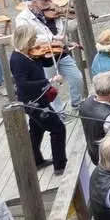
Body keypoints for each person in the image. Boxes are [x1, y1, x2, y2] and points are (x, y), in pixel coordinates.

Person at [8, 24, 67, 174]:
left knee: (36, 129)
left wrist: (61, 51)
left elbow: (44, 61)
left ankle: (36, 160)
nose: (35, 41)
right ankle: (60, 165)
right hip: (33, 101)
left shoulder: (29, 53)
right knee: (58, 129)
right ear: (25, 40)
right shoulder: (17, 60)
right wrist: (50, 80)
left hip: (40, 98)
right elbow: (23, 84)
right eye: (33, 38)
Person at [14, 0, 83, 112]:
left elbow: (65, 29)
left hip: (60, 51)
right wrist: (52, 38)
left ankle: (77, 103)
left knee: (77, 77)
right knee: (50, 86)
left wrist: (77, 17)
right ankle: (59, 112)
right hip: (42, 55)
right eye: (44, 0)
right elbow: (28, 39)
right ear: (34, 2)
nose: (49, 1)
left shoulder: (52, 13)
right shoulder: (22, 19)